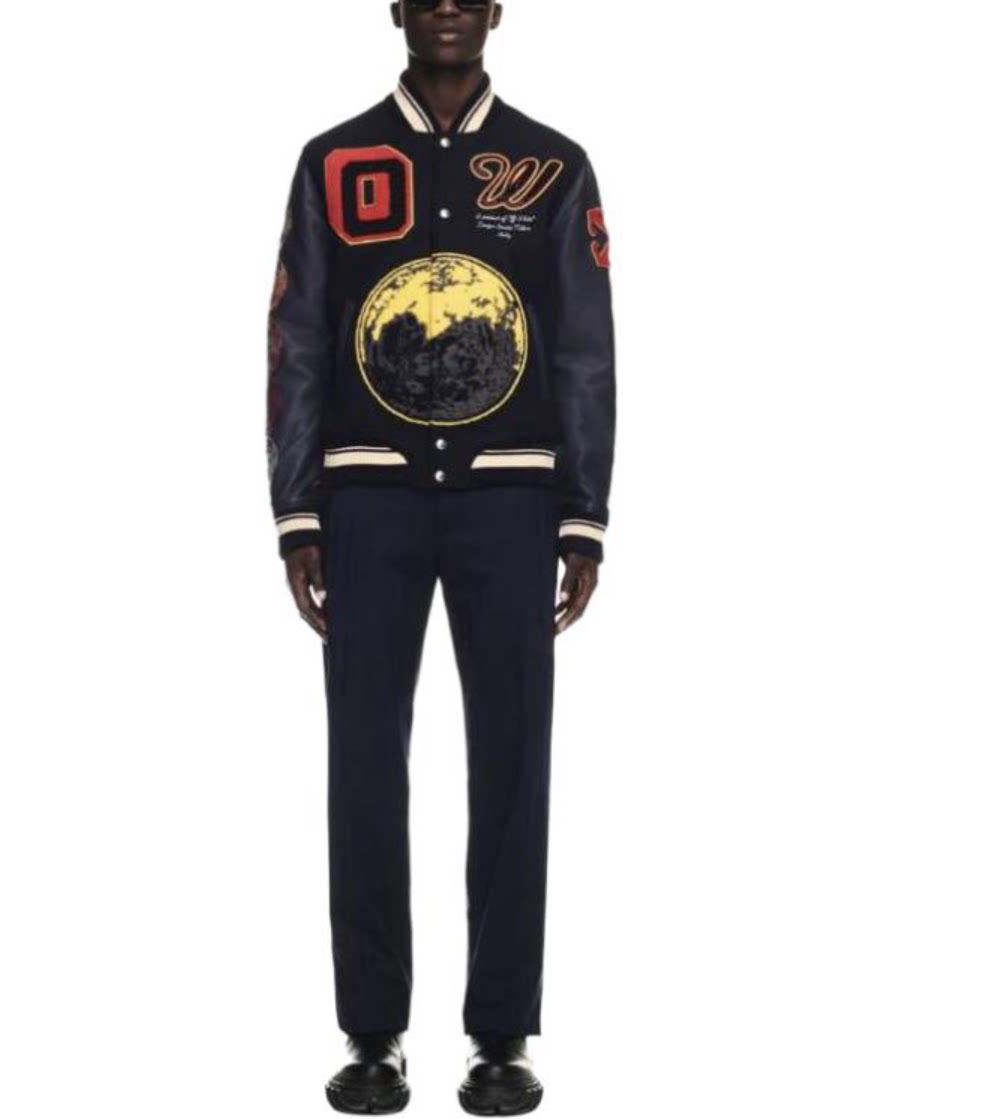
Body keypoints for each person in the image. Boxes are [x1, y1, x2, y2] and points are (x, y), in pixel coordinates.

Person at [265, 1, 616, 1112]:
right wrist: (298, 511)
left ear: (498, 9)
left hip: (511, 502)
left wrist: (582, 514)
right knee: (364, 763)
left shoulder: (551, 165)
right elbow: (297, 337)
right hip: (366, 500)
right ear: (398, 10)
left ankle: (501, 1034)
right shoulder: (334, 162)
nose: (449, 9)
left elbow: (583, 343)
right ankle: (372, 1031)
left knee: (513, 760)